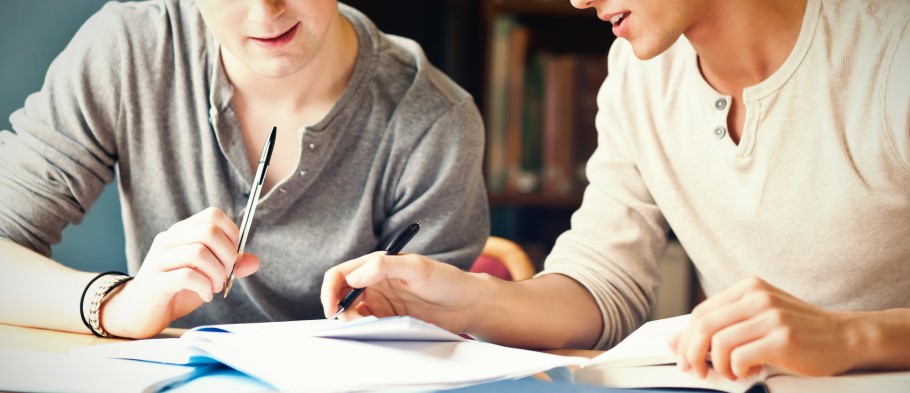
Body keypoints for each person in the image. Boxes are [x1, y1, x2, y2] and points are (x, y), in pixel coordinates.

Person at [322, 0, 910, 381]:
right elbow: (603, 285)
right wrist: (465, 300)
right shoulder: (638, 74)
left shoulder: (891, 50)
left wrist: (850, 335)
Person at [0, 0, 489, 339]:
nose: (265, 13)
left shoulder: (435, 121)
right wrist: (118, 306)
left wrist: (396, 323)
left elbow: (433, 340)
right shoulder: (131, 52)